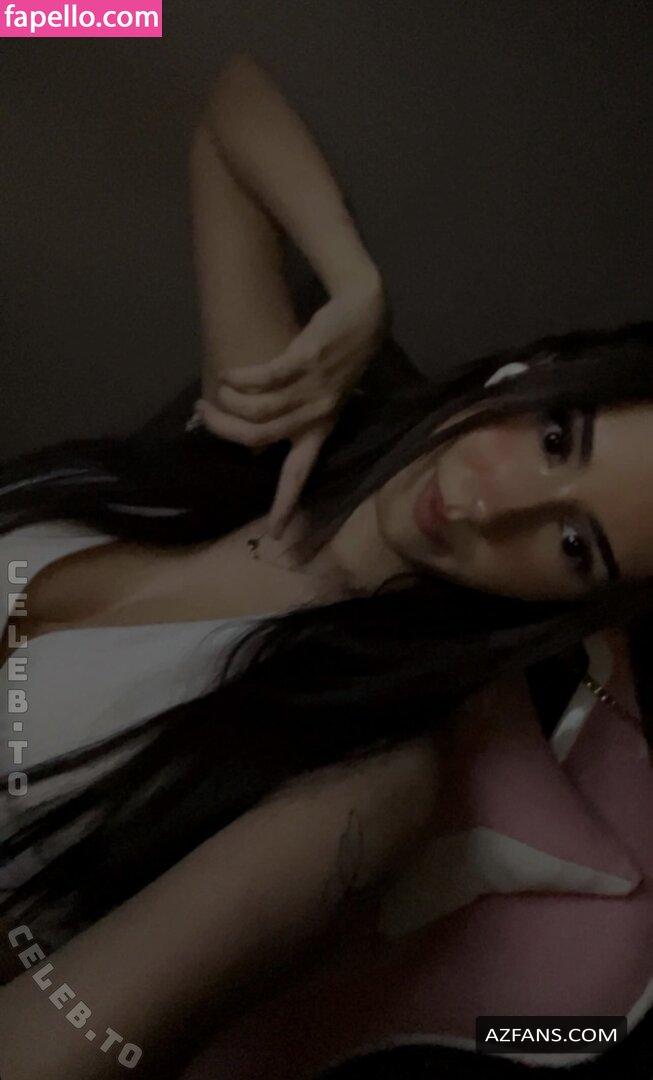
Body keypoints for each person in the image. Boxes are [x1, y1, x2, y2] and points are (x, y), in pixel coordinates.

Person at [0, 52, 651, 1079]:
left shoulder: (358, 789)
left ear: (560, 607)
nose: (489, 504)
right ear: (527, 373)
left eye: (572, 545)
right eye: (554, 436)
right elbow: (228, 104)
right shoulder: (275, 429)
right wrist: (355, 283)